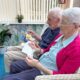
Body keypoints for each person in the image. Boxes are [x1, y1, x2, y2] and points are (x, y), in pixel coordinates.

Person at [4, 7, 80, 80]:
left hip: (44, 72)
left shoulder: (76, 49)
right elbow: (47, 50)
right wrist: (37, 50)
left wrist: (37, 65)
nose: (60, 25)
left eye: (63, 22)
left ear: (75, 26)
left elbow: (61, 77)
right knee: (14, 66)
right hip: (40, 61)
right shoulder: (61, 36)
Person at [4, 7, 62, 72]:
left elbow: (48, 50)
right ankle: (14, 68)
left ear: (58, 20)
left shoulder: (60, 35)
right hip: (34, 46)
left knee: (7, 55)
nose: (47, 21)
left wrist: (37, 48)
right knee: (9, 48)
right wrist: (35, 35)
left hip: (36, 52)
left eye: (49, 19)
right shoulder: (50, 28)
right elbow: (42, 40)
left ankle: (9, 73)